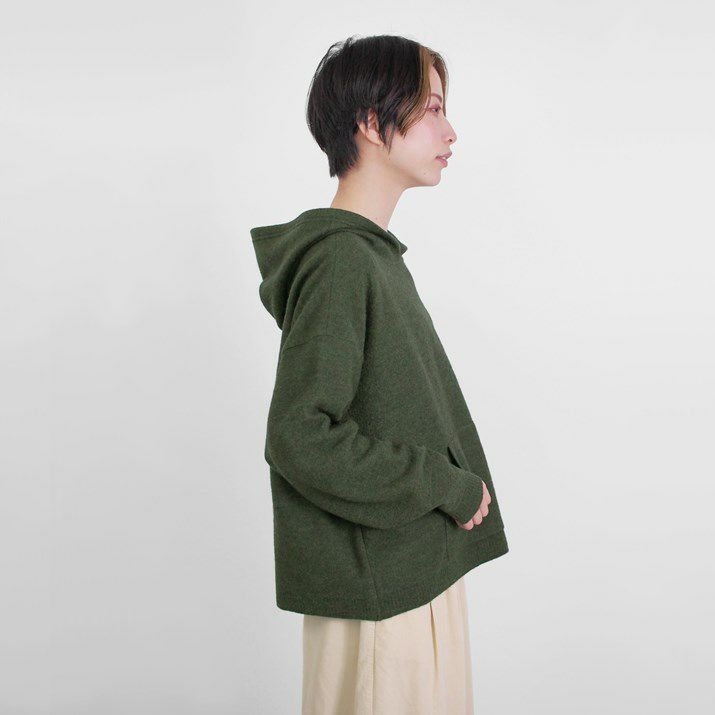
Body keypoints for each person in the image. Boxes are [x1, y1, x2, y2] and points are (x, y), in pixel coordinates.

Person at [250, 34, 509, 715]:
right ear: (370, 122)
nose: (450, 131)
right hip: (382, 604)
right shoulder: (341, 261)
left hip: (408, 577)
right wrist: (443, 483)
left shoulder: (370, 256)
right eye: (432, 108)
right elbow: (299, 435)